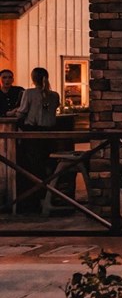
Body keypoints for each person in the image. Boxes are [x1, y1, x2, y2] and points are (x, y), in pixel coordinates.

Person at [12, 67, 60, 213]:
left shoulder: (29, 93)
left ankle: (33, 201)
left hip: (32, 134)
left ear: (32, 78)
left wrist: (12, 112)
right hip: (50, 134)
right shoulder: (54, 95)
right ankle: (47, 197)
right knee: (47, 165)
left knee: (32, 167)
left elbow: (22, 113)